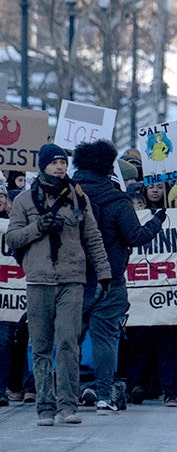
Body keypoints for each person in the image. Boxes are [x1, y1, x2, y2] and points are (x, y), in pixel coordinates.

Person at [6, 143, 112, 426]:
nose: (59, 167)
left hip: (72, 279)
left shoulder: (78, 198)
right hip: (40, 279)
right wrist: (39, 226)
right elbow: (12, 239)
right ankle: (45, 405)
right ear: (42, 166)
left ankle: (68, 404)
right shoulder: (24, 201)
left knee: (68, 343)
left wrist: (103, 272)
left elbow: (92, 237)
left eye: (63, 162)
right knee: (40, 345)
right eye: (53, 162)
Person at [72, 140, 166, 414]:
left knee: (68, 339)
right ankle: (104, 394)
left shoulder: (68, 197)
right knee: (104, 339)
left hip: (72, 279)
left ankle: (65, 394)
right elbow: (136, 237)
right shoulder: (117, 200)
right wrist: (157, 220)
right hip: (109, 280)